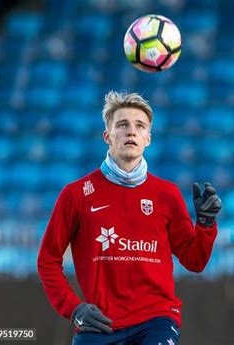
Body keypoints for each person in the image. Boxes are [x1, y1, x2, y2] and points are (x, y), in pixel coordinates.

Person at [37, 91, 222, 345]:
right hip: (100, 324)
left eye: (139, 126)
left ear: (148, 138)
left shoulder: (166, 194)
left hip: (157, 320)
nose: (131, 132)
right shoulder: (76, 194)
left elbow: (195, 261)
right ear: (107, 136)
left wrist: (206, 224)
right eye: (122, 125)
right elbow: (48, 260)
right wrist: (74, 309)